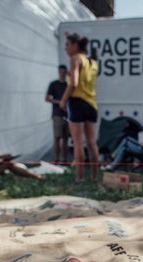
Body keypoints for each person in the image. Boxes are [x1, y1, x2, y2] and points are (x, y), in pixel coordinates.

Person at [59, 33, 99, 184]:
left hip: (77, 102)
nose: (66, 48)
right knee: (91, 142)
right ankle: (94, 176)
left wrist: (63, 100)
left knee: (77, 142)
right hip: (91, 103)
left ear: (75, 45)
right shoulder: (92, 62)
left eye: (67, 45)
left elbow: (74, 83)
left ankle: (79, 177)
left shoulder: (75, 59)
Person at [45, 65, 70, 164]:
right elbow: (47, 98)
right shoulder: (54, 84)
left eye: (64, 72)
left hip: (67, 114)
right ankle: (56, 159)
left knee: (65, 138)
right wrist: (59, 102)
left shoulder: (68, 85)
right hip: (57, 114)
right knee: (57, 137)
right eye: (61, 72)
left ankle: (64, 159)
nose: (62, 74)